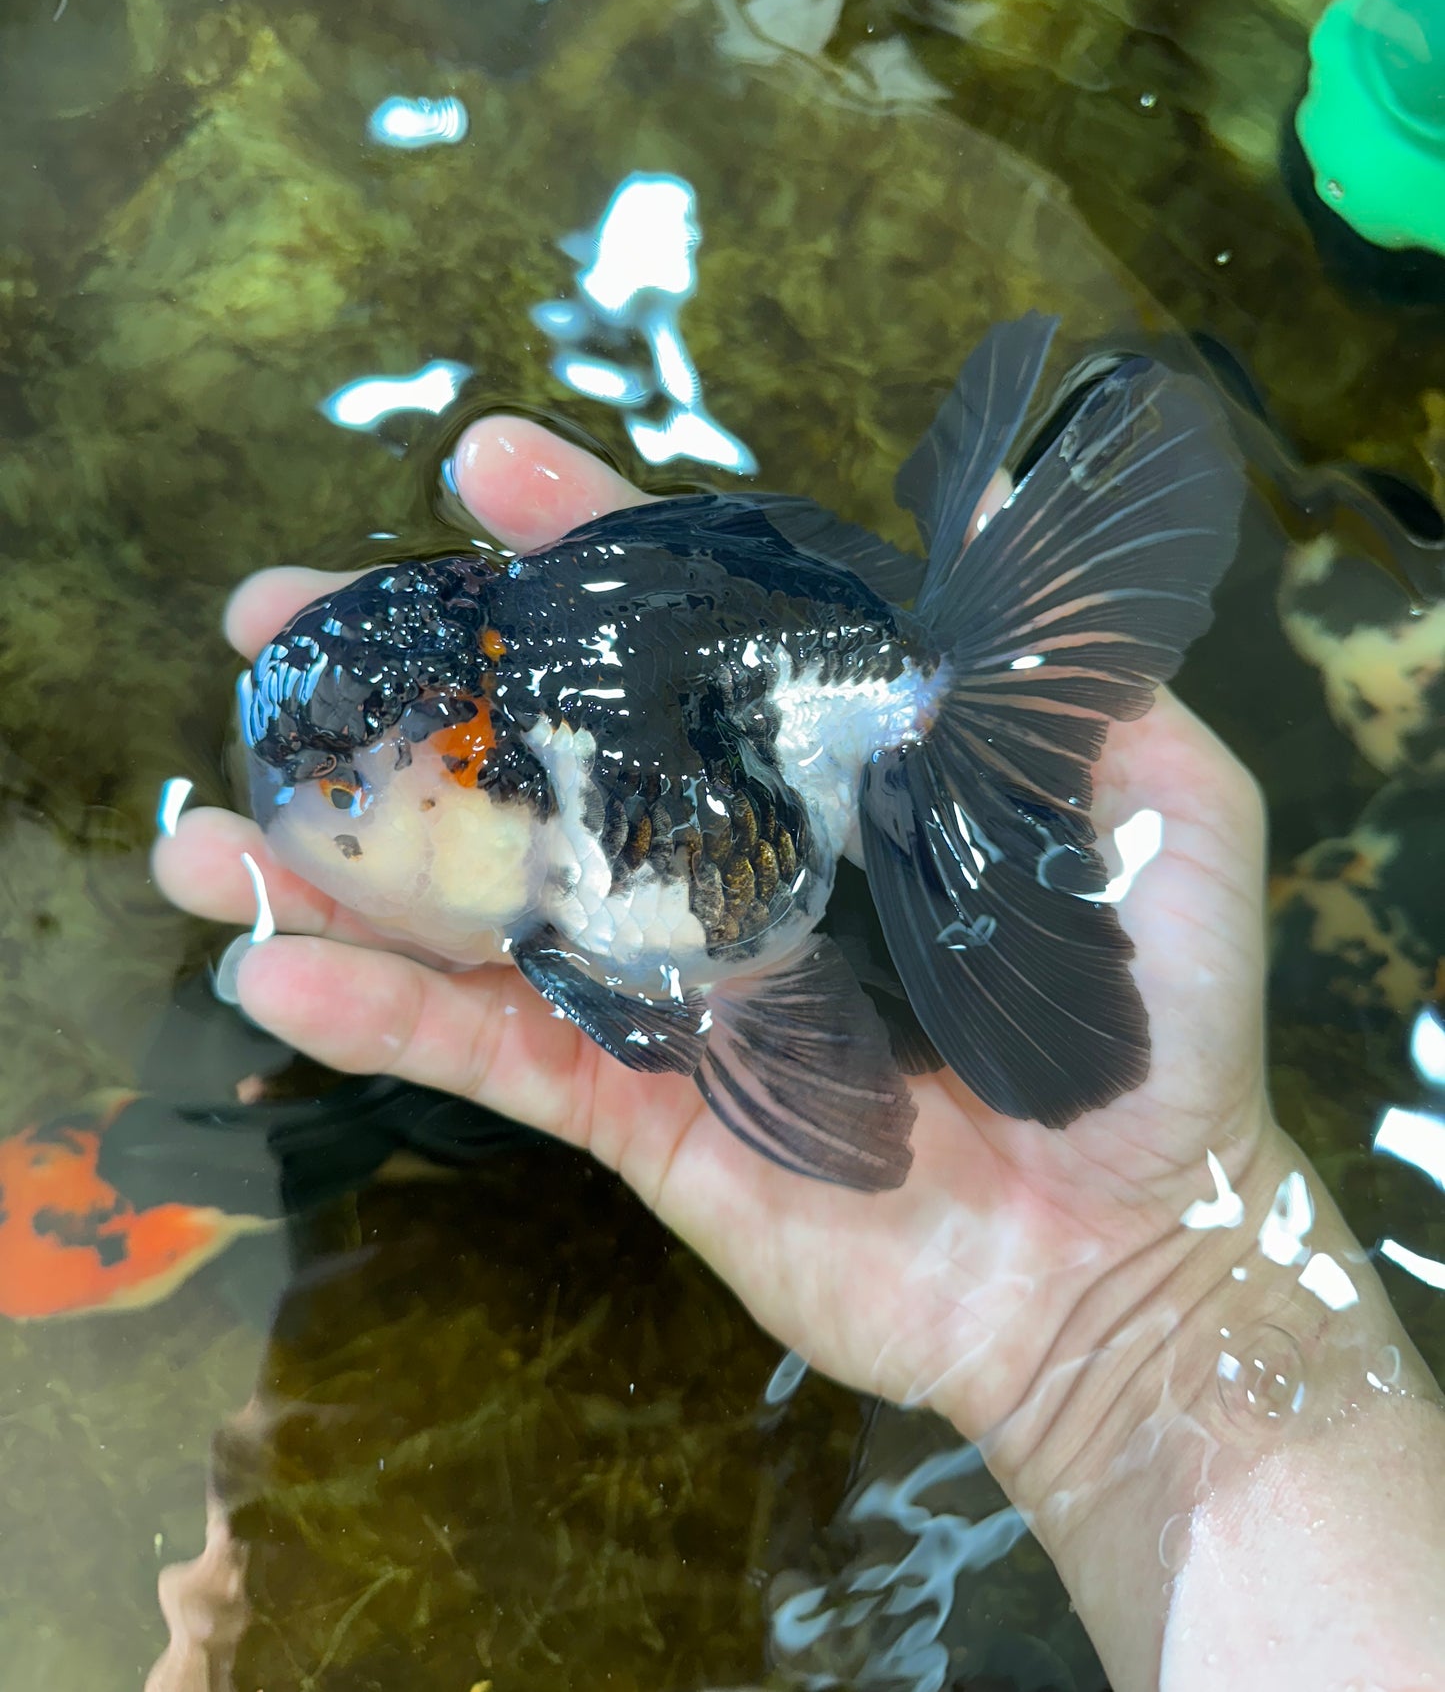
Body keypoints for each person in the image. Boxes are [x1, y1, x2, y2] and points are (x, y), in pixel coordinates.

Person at [154, 414, 1445, 1690]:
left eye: (345, 816)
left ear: (462, 781)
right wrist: (1195, 1290)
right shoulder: (544, 803)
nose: (325, 845)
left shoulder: (574, 851)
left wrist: (1170, 1280)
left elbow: (706, 983)